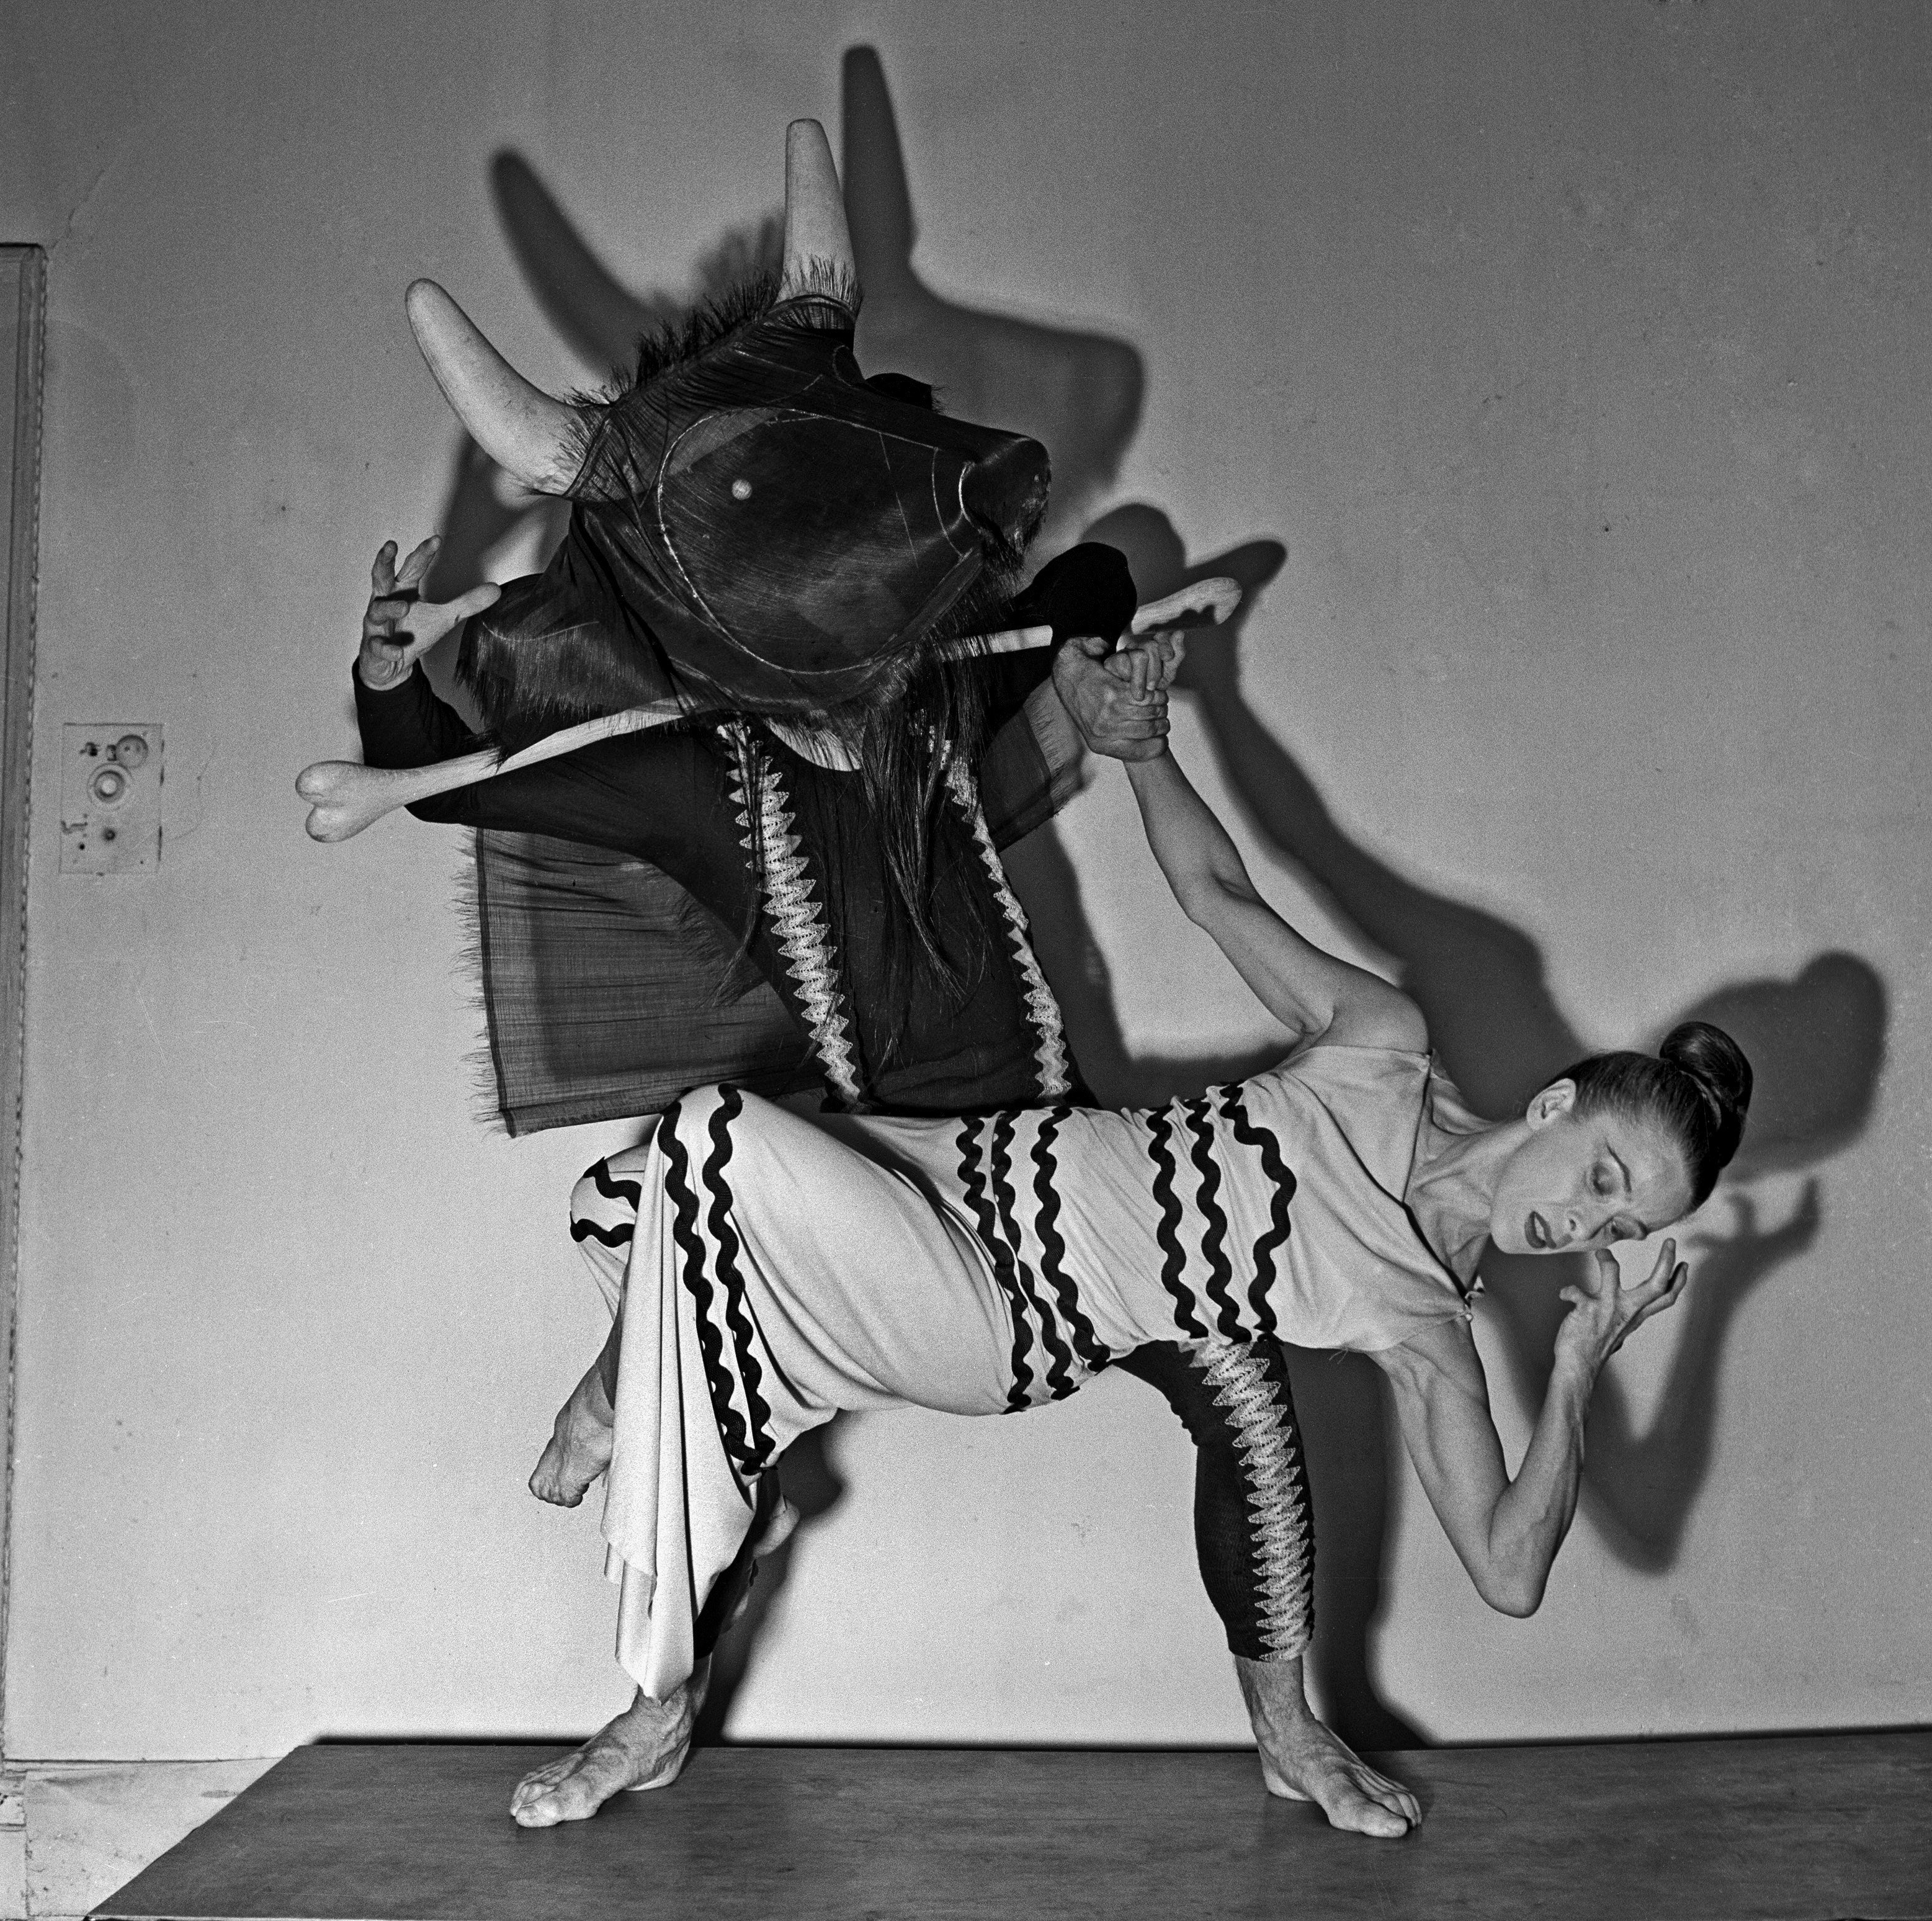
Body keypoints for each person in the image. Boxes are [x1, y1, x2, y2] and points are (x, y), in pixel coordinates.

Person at [504, 653, 1751, 1838]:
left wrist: (1576, 1374)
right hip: (955, 1170)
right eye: (1602, 1180)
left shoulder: (1426, 1321)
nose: (1582, 1227)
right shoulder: (1384, 1045)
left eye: (1621, 1227)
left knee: (714, 1139)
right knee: (620, 1204)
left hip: (999, 1309)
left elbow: (1509, 1574)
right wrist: (1146, 747)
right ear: (1556, 1105)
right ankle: (727, 1503)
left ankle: (622, 1443)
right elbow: (1220, 895)